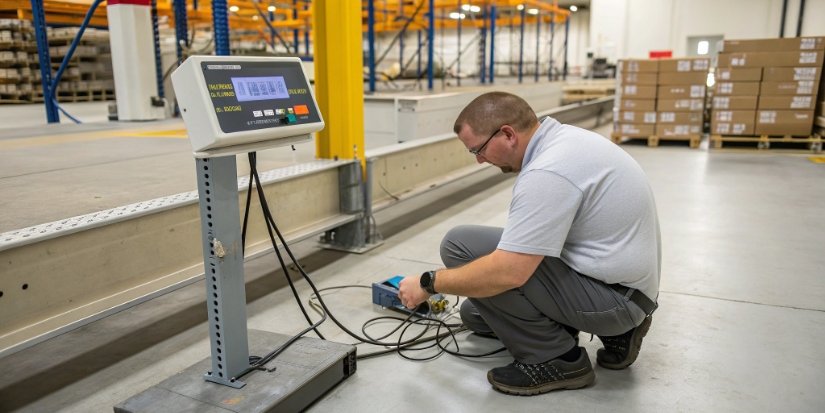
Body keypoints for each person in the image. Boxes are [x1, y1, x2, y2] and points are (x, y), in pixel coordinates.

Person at [398, 91, 660, 396]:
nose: (481, 159)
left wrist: (429, 283)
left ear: (507, 134)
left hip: (614, 301)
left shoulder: (548, 171)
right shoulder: (565, 139)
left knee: (465, 252)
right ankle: (618, 333)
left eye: (479, 150)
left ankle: (557, 359)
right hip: (624, 289)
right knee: (474, 312)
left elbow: (509, 272)